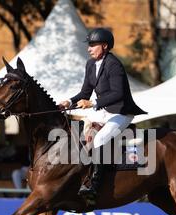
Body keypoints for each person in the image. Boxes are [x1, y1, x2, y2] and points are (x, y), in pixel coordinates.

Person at [59, 28, 147, 200]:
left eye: (93, 45)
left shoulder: (114, 64)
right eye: (89, 45)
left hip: (121, 112)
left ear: (104, 46)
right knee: (79, 134)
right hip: (104, 111)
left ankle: (95, 185)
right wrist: (68, 102)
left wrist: (93, 103)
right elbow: (85, 92)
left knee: (99, 139)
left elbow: (117, 93)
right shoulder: (90, 64)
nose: (89, 48)